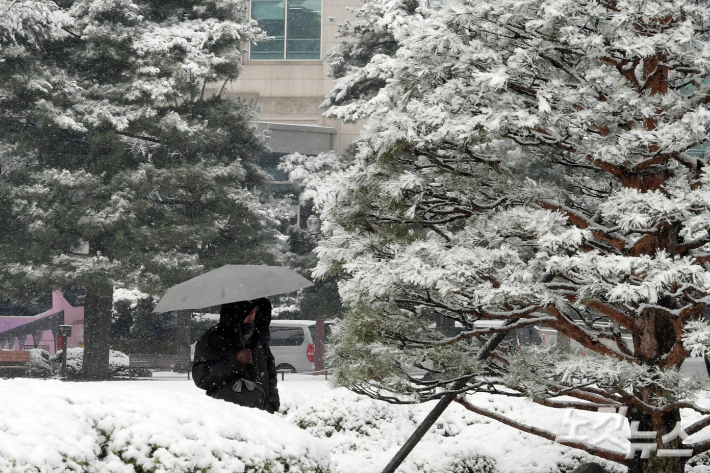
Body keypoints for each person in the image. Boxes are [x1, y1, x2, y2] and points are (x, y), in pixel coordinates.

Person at [192, 297, 280, 413]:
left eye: (256, 310)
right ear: (236, 311)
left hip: (260, 414)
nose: (253, 314)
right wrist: (235, 362)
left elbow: (270, 372)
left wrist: (272, 404)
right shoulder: (212, 338)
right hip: (225, 413)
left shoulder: (258, 337)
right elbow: (202, 378)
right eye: (249, 310)